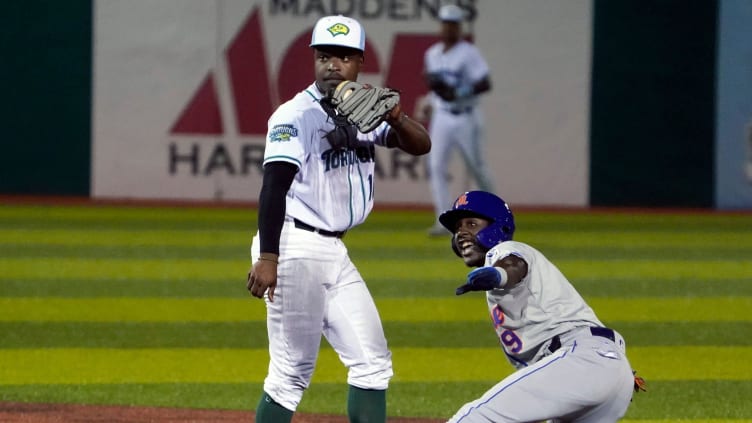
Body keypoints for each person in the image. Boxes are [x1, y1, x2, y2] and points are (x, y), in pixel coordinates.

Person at [245, 15, 431, 423]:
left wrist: (396, 117)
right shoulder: (294, 116)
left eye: (344, 57)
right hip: (295, 246)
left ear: (360, 62)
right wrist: (270, 258)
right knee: (290, 375)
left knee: (372, 361)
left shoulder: (363, 108)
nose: (333, 65)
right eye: (325, 56)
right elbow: (274, 187)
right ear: (313, 60)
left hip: (334, 249)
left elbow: (420, 145)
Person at [438, 191, 645, 422]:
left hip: (581, 359)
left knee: (475, 417)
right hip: (599, 369)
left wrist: (498, 275)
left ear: (498, 226)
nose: (461, 233)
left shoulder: (506, 249)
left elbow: (514, 266)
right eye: (457, 228)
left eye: (472, 224)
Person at [423, 4, 495, 236]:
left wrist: (460, 92)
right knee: (435, 166)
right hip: (443, 115)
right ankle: (443, 219)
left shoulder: (468, 52)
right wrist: (430, 101)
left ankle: (496, 214)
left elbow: (485, 83)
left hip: (466, 115)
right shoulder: (432, 54)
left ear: (459, 27)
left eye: (453, 24)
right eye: (445, 23)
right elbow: (437, 88)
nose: (448, 28)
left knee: (477, 167)